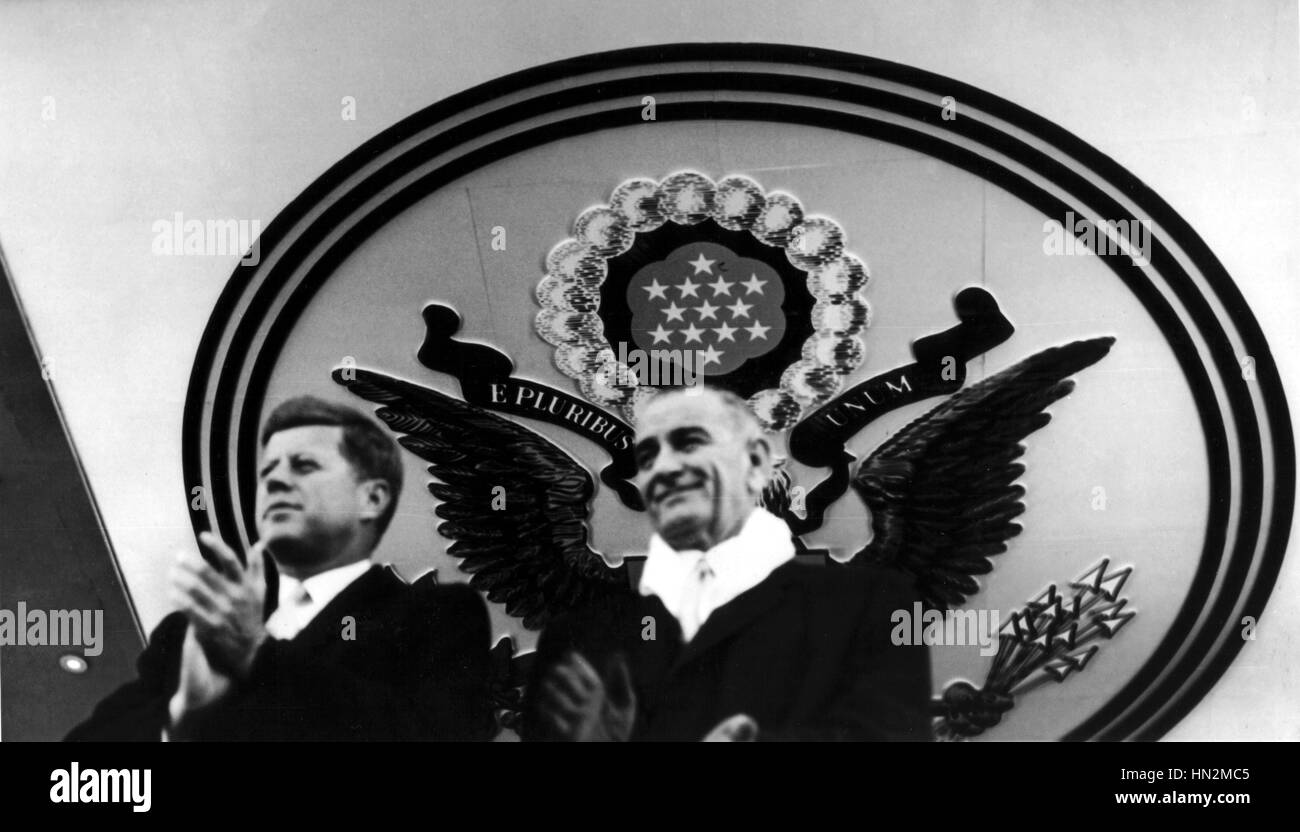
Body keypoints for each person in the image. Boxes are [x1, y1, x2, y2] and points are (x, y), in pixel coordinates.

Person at [67, 396, 493, 741]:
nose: (273, 481)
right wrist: (181, 718)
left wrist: (255, 656)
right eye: (267, 470)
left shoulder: (437, 615)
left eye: (304, 465)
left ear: (373, 499)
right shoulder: (189, 632)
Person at [522, 386, 932, 741]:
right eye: (648, 457)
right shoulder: (579, 634)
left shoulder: (872, 606)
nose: (664, 468)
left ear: (754, 463)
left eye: (690, 444)